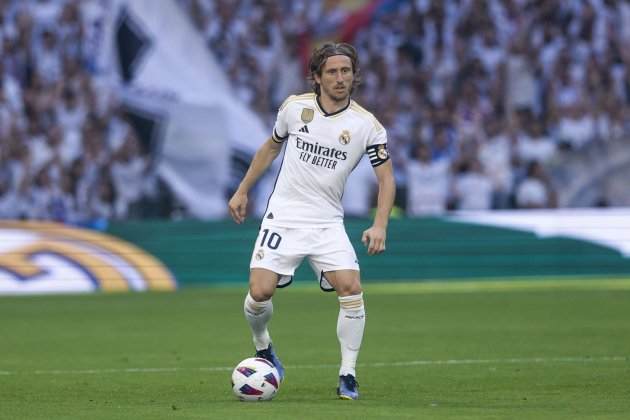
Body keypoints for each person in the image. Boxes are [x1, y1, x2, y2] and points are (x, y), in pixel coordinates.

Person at [228, 42, 395, 400]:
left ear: (354, 76)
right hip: (283, 217)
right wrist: (242, 190)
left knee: (350, 287)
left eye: (346, 71)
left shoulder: (367, 126)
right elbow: (270, 148)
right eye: (332, 72)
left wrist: (379, 224)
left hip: (327, 223)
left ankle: (348, 374)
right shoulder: (294, 108)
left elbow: (386, 179)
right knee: (260, 293)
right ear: (316, 77)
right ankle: (263, 348)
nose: (340, 79)